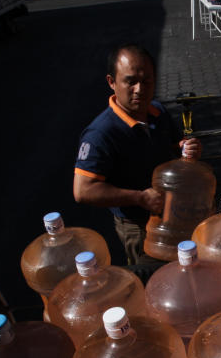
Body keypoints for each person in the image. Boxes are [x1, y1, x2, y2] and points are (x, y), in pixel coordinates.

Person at [73, 44, 202, 264]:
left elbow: (173, 145)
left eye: (147, 81)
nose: (140, 89)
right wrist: (140, 197)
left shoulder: (157, 112)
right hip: (139, 226)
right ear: (111, 82)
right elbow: (83, 191)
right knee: (152, 281)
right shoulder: (101, 134)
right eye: (130, 81)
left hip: (174, 213)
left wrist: (186, 148)